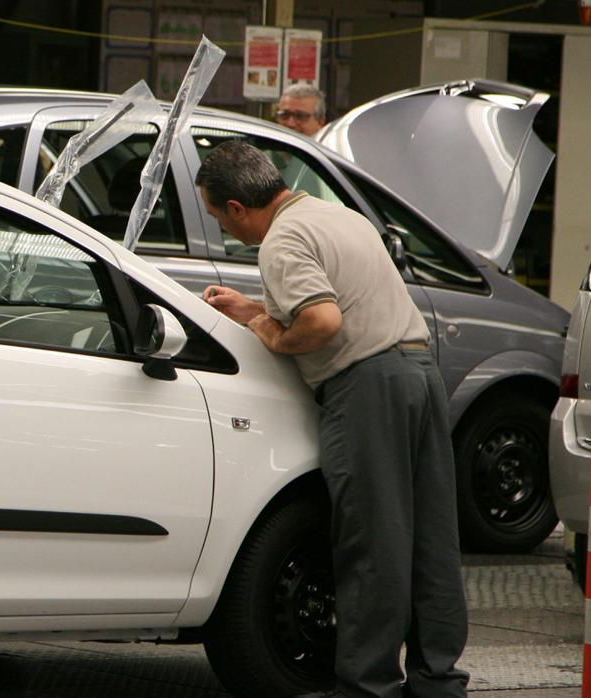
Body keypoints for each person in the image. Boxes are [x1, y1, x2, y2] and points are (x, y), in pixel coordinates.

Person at [195, 141, 468, 698]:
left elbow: (320, 320)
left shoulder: (280, 241)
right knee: (429, 541)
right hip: (417, 375)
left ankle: (367, 686)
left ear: (238, 208)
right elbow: (341, 295)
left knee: (373, 543)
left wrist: (272, 333)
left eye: (217, 215)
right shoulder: (334, 216)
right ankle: (438, 681)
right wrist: (254, 311)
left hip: (367, 388)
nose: (224, 230)